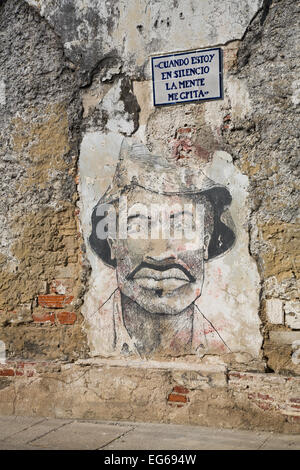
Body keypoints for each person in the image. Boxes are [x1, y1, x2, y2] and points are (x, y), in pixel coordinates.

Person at [89, 141, 235, 358]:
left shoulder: (226, 350)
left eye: (182, 226)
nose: (161, 254)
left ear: (206, 244)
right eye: (138, 226)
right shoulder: (91, 332)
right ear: (113, 244)